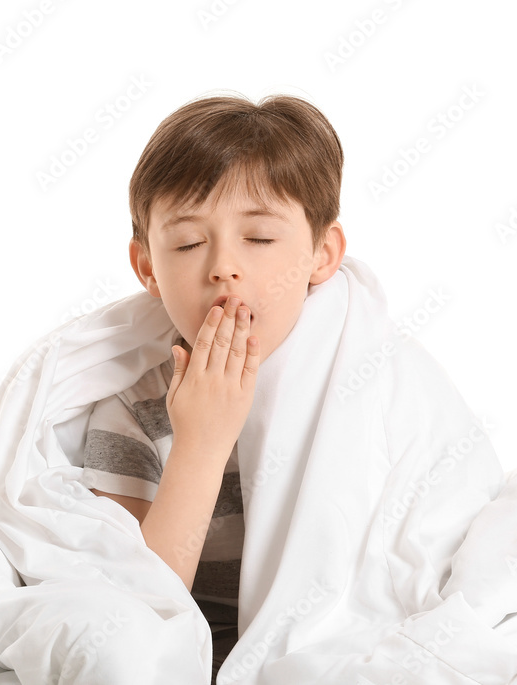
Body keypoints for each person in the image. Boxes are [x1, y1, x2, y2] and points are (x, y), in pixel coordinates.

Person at [79, 91, 347, 682]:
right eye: (189, 243)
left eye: (259, 238)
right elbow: (132, 615)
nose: (224, 265)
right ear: (148, 265)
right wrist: (201, 441)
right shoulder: (130, 405)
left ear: (322, 255)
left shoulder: (359, 376)